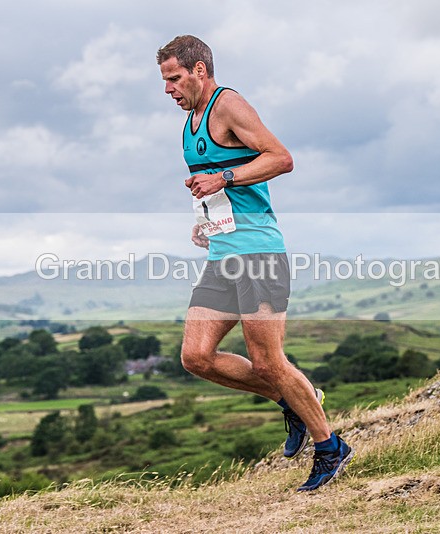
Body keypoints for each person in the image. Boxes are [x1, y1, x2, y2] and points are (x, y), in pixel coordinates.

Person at [156, 35, 353, 490]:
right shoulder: (190, 121)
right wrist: (207, 221)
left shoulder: (228, 105)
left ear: (199, 70)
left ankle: (330, 447)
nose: (168, 89)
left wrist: (222, 176)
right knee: (196, 356)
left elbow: (281, 158)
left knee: (267, 361)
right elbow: (221, 190)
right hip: (225, 252)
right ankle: (295, 401)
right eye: (164, 81)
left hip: (259, 253)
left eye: (173, 78)